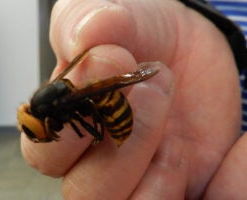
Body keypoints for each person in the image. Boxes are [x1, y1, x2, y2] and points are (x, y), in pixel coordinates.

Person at [20, 0, 247, 199]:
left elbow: (78, 118)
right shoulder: (57, 103)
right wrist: (201, 20)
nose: (47, 134)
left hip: (111, 109)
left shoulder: (59, 107)